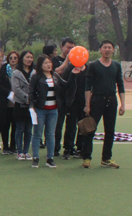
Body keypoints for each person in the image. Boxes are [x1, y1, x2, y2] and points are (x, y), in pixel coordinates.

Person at [81, 40, 125, 169]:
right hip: (97, 100)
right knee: (90, 129)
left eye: (109, 48)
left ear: (113, 50)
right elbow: (88, 86)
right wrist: (87, 104)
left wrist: (123, 104)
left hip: (112, 101)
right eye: (105, 47)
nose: (107, 50)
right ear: (100, 50)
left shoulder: (116, 65)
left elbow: (120, 84)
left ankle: (106, 158)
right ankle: (86, 158)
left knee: (110, 131)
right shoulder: (93, 65)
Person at [30, 55, 78, 168]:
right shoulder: (36, 76)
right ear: (40, 65)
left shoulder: (55, 75)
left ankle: (50, 158)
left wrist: (73, 75)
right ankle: (35, 158)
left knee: (51, 134)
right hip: (40, 110)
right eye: (46, 63)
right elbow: (31, 92)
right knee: (37, 134)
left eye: (49, 62)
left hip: (53, 110)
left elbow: (66, 85)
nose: (48, 65)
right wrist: (31, 106)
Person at [51, 37, 75, 156]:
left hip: (72, 98)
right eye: (68, 47)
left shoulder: (77, 60)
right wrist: (67, 61)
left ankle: (69, 147)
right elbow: (57, 72)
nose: (70, 50)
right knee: (58, 124)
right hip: (59, 97)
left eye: (72, 48)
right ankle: (55, 147)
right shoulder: (55, 60)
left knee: (71, 125)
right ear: (62, 47)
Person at [0, 51, 19, 155]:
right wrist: (9, 93)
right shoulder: (3, 70)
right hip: (5, 103)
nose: (13, 60)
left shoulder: (20, 70)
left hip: (17, 103)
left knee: (15, 126)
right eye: (11, 58)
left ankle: (13, 146)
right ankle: (5, 147)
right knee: (5, 125)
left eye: (15, 58)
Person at [12, 50, 34, 161]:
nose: (29, 59)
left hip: (31, 106)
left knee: (29, 130)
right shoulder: (16, 73)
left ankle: (26, 151)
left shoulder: (34, 73)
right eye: (27, 57)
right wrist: (27, 98)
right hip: (20, 104)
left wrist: (33, 99)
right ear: (22, 59)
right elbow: (16, 88)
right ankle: (19, 151)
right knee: (20, 128)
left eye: (31, 57)